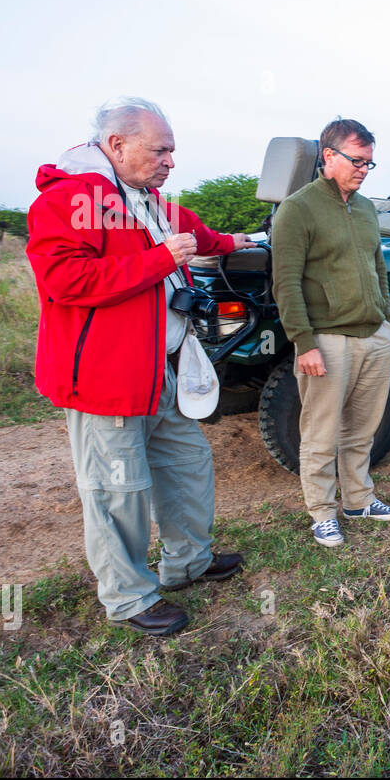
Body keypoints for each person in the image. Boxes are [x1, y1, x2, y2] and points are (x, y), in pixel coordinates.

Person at [26, 97, 248, 636]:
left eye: (172, 150)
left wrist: (236, 242)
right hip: (108, 377)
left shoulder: (146, 199)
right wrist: (160, 260)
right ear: (118, 145)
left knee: (187, 467)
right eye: (161, 149)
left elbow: (195, 237)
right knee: (117, 491)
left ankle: (188, 562)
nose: (171, 160)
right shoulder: (68, 200)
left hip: (163, 369)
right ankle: (128, 597)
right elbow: (66, 281)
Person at [271, 117, 390, 548]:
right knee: (320, 432)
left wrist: (388, 318)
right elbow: (286, 282)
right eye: (357, 160)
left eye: (369, 162)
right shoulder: (298, 208)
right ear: (329, 157)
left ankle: (359, 499)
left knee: (362, 428)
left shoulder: (366, 207)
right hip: (327, 339)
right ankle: (323, 513)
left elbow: (377, 265)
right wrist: (303, 343)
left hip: (374, 335)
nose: (364, 169)